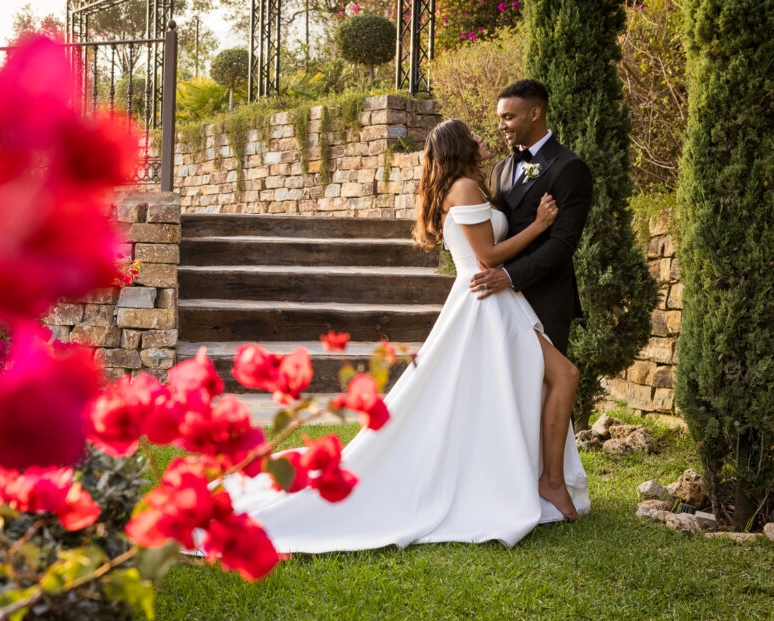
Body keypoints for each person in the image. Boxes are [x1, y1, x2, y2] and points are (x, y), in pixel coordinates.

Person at [222, 114, 590, 553]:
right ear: (458, 146)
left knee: (535, 384)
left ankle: (534, 478)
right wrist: (539, 226)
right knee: (559, 375)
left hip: (497, 303)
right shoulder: (465, 189)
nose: (480, 136)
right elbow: (487, 255)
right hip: (486, 302)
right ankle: (543, 482)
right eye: (471, 134)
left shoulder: (473, 183)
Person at [473, 78, 594, 518]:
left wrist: (509, 275)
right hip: (501, 303)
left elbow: (562, 246)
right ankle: (511, 483)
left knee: (548, 391)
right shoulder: (501, 170)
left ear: (535, 113)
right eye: (501, 116)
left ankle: (551, 484)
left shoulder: (570, 168)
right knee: (508, 392)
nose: (502, 124)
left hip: (545, 298)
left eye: (509, 116)